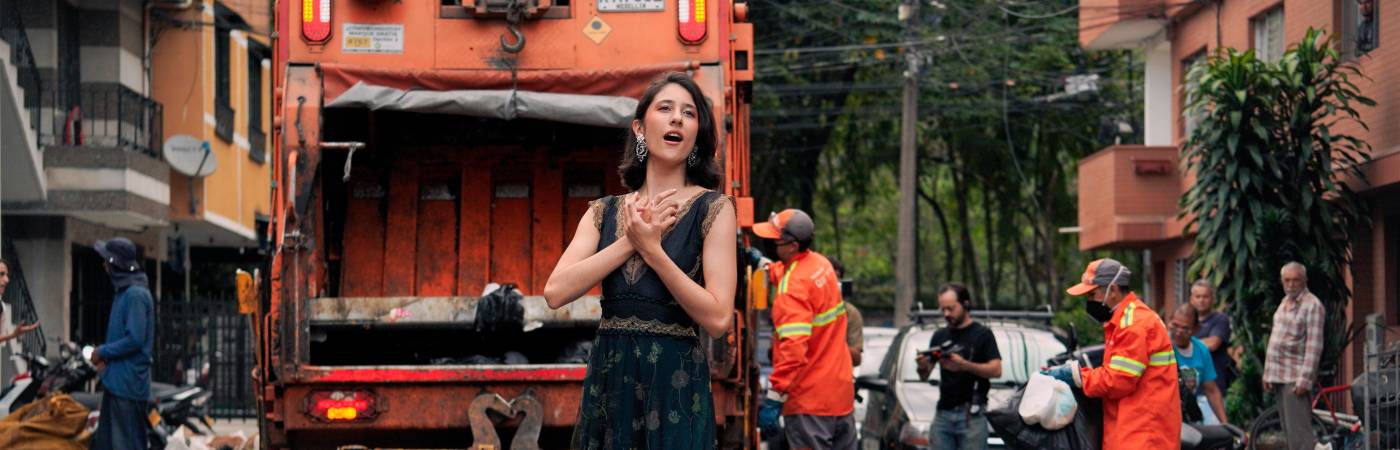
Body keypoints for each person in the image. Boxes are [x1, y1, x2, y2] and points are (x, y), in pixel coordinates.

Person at [543, 72, 737, 450]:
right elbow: (555, 292)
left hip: (675, 385)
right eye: (665, 108)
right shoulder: (604, 211)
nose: (677, 118)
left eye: (689, 113)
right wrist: (632, 241)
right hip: (610, 380)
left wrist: (653, 252)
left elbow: (717, 319)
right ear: (640, 127)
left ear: (697, 133)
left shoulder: (714, 209)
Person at [1043, 258, 1180, 449]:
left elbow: (1117, 380)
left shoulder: (1133, 325)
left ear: (1113, 290)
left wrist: (1074, 374)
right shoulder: (1127, 320)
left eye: (1092, 294)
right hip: (1134, 430)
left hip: (1142, 435)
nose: (1089, 302)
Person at [755, 208, 856, 450]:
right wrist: (763, 264)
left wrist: (774, 397)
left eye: (775, 239)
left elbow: (793, 350)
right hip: (840, 397)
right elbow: (793, 274)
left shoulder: (791, 290)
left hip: (809, 403)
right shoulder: (821, 265)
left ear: (791, 245)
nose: (771, 243)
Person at [916, 283, 1001, 450]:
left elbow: (996, 370)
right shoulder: (940, 335)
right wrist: (922, 366)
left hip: (972, 414)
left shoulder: (983, 334)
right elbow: (924, 375)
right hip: (943, 412)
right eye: (943, 310)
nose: (947, 314)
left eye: (951, 308)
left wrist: (964, 365)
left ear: (966, 304)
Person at [89, 238, 155, 450]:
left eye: (105, 260)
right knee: (106, 444)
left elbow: (135, 339)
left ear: (113, 263)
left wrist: (103, 351)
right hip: (117, 382)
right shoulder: (125, 292)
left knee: (125, 444)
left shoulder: (135, 294)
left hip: (128, 385)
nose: (103, 265)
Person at [1264, 262, 1324, 450]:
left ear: (1305, 280)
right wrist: (1267, 374)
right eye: (1287, 280)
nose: (1291, 284)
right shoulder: (1284, 303)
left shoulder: (1312, 305)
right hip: (1279, 376)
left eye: (1296, 280)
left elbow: (1314, 346)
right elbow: (1275, 340)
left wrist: (1304, 380)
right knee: (1289, 434)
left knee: (1300, 437)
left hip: (1295, 378)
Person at [1168, 303, 1228, 426]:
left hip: (1188, 417)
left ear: (1195, 329)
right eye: (1175, 326)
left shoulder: (1201, 350)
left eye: (1185, 328)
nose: (1178, 332)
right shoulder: (1162, 346)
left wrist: (1226, 425)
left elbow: (1211, 390)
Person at [1190, 279, 1235, 398]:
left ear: (1212, 299)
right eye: (1197, 296)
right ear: (1191, 299)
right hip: (1189, 389)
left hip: (1212, 390)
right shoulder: (1187, 320)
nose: (1201, 300)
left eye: (1205, 296)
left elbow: (1212, 344)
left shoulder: (1220, 319)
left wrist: (1184, 344)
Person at [829, 258, 864, 367]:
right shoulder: (804, 307)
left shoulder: (849, 313)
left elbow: (856, 359)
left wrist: (833, 344)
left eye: (836, 277)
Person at [0, 259, 40, 345]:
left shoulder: (1, 307)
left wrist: (13, 335)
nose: (7, 280)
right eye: (1, 274)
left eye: (7, 275)